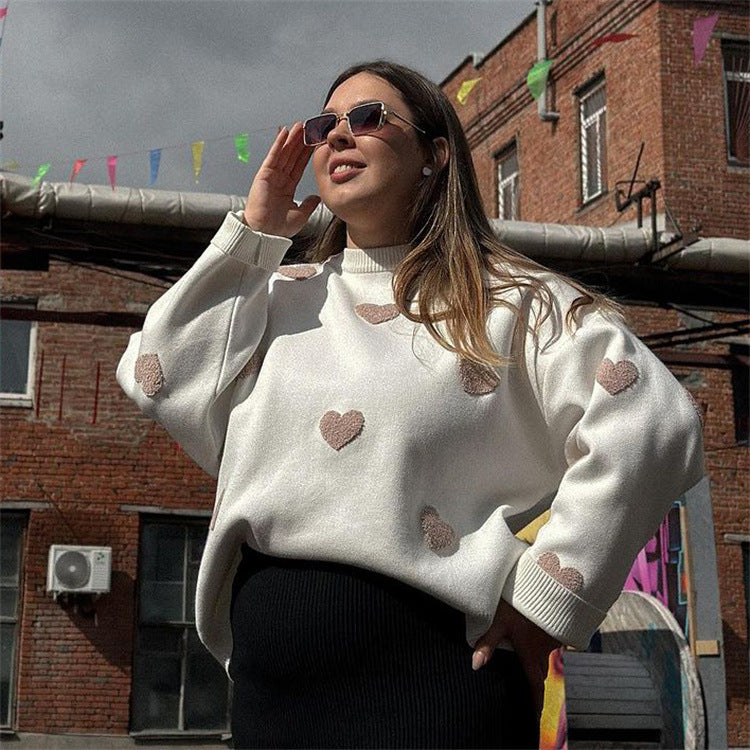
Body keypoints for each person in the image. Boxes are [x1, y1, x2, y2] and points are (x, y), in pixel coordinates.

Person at [116, 59, 706, 749]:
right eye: (323, 126)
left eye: (367, 118)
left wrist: (548, 599)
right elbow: (158, 376)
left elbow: (655, 422)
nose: (338, 136)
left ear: (435, 154)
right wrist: (253, 235)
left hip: (439, 685)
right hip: (270, 698)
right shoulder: (276, 296)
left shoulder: (514, 302)